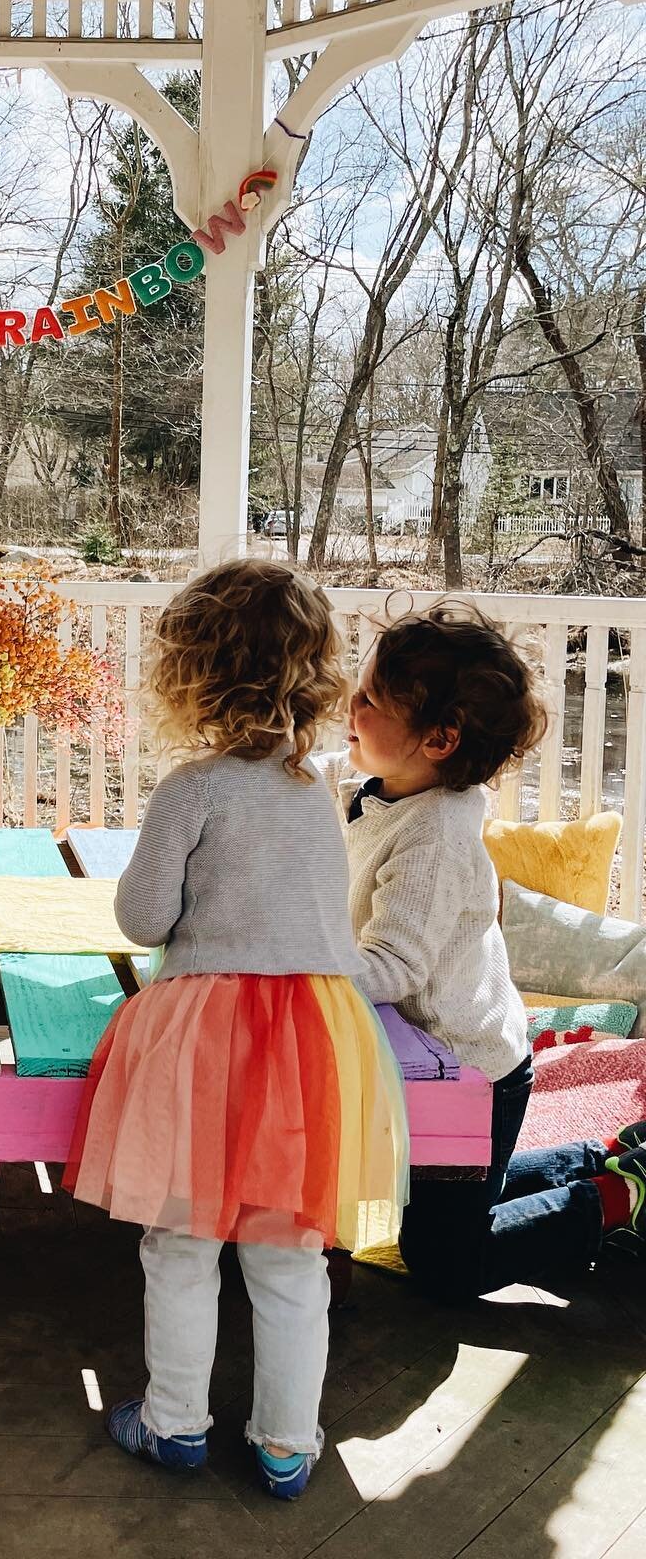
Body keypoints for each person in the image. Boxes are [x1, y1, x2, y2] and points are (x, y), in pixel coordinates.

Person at [66, 558, 408, 1501]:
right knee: (291, 1252)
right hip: (313, 1039)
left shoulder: (195, 788)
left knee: (180, 1241)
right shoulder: (316, 795)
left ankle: (175, 1424)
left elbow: (141, 919)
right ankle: (287, 1446)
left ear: (194, 675)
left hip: (208, 1037)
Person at [325, 604, 646, 1301]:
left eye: (371, 700)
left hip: (472, 1075)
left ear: (438, 739)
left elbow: (394, 967)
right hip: (431, 1057)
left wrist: (304, 963)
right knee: (449, 1205)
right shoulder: (386, 788)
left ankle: (618, 1197)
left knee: (445, 1260)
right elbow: (309, 783)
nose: (351, 705)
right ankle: (598, 1156)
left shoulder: (435, 839)